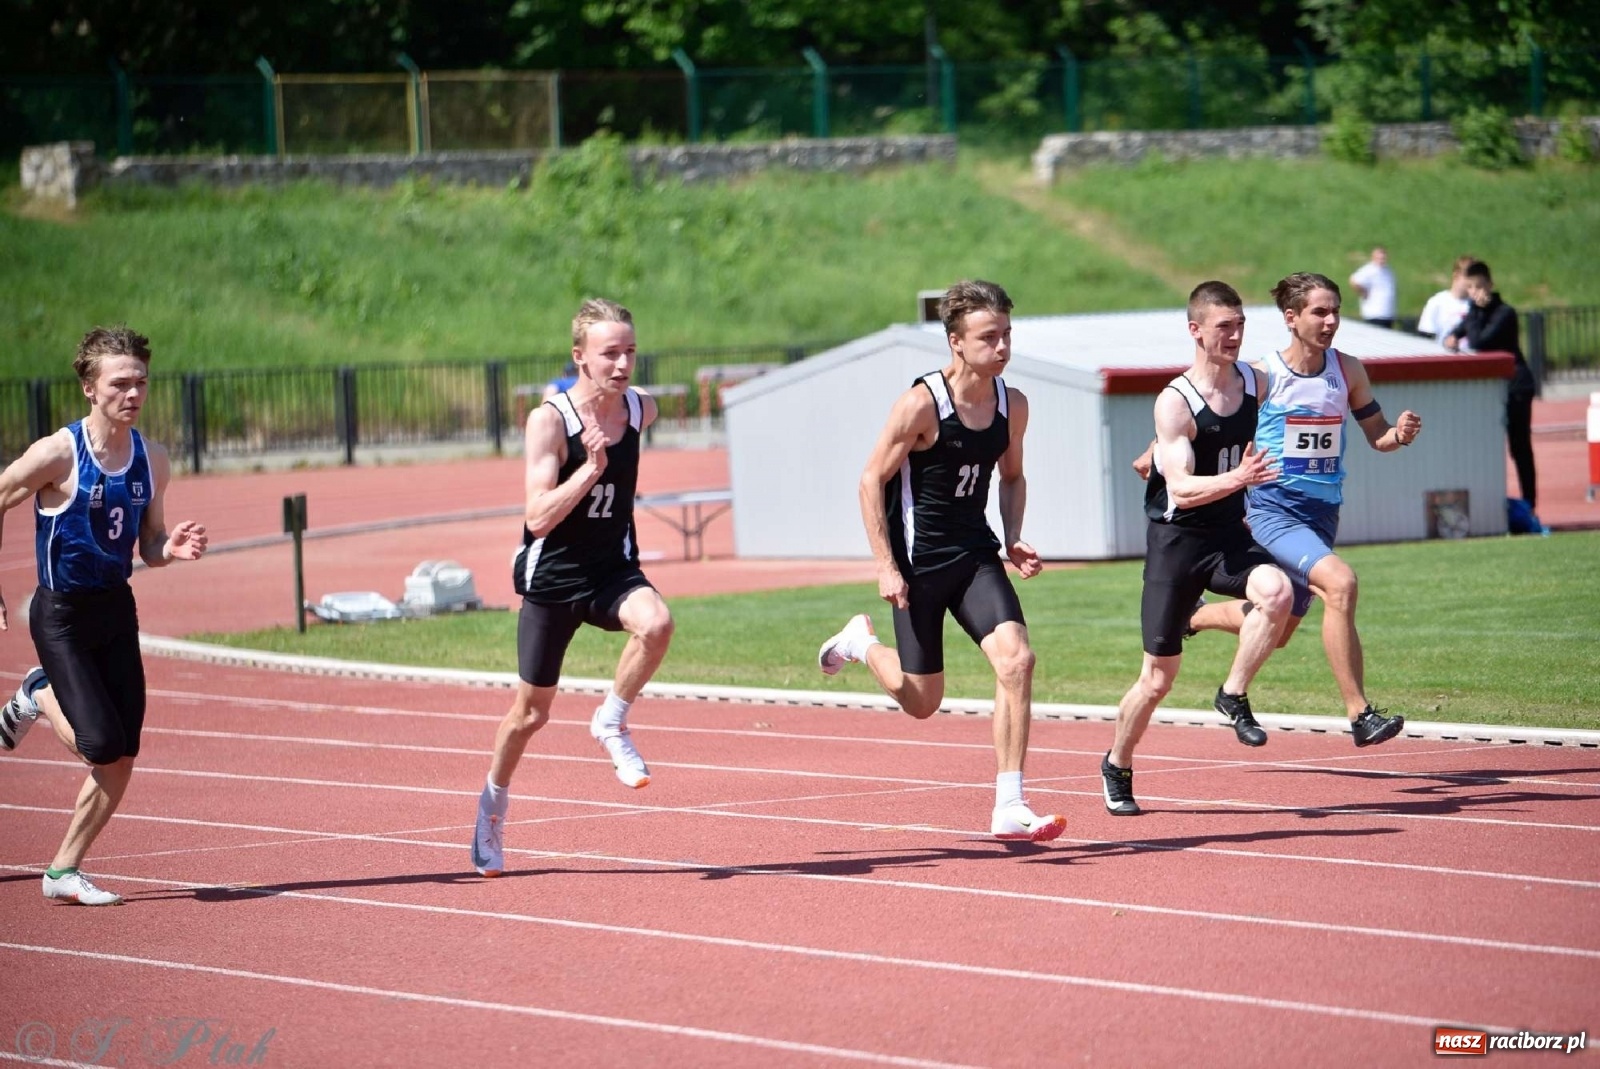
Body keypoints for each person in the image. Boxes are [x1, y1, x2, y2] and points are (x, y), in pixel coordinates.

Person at [815, 279, 1066, 843]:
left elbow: (1013, 474)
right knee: (923, 701)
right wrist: (885, 564)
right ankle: (860, 642)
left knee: (1016, 660)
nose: (1001, 348)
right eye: (988, 337)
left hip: (975, 555)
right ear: (956, 341)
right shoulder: (921, 404)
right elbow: (869, 481)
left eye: (1006, 335)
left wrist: (1014, 535)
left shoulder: (1012, 404)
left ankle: (1009, 803)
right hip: (917, 565)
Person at [0, 326, 209, 906]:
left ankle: (63, 870)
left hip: (116, 608)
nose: (134, 392)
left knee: (124, 755)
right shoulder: (56, 453)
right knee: (100, 743)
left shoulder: (153, 458)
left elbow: (149, 543)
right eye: (121, 382)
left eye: (141, 381)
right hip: (61, 614)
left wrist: (172, 550)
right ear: (91, 389)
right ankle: (38, 695)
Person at [472, 298, 674, 878]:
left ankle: (611, 719)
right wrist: (589, 469)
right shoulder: (550, 420)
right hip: (554, 578)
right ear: (579, 357)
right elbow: (536, 518)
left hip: (612, 569)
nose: (623, 364)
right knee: (530, 715)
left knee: (657, 623)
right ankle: (493, 805)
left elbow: (641, 413)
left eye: (630, 351)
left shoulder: (640, 409)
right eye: (610, 353)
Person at [1189, 273, 1418, 747]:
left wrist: (1399, 434)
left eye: (1335, 310)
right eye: (1320, 311)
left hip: (1321, 514)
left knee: (1280, 626)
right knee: (1342, 582)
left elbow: (1378, 437)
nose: (1331, 320)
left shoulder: (1348, 369)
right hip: (1272, 509)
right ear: (1291, 318)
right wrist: (1156, 450)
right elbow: (1208, 413)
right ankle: (1360, 715)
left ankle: (1191, 617)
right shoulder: (1262, 374)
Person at [1102, 283, 1293, 816]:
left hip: (1230, 533)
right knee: (1157, 678)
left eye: (1239, 325)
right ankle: (1118, 762)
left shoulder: (1255, 381)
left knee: (1277, 593)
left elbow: (1298, 390)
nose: (1234, 336)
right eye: (1223, 327)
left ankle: (1232, 695)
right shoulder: (1175, 401)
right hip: (1177, 543)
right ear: (1196, 331)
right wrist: (1237, 475)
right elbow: (1182, 491)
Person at [1444, 261, 1537, 510]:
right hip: (1493, 388)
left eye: (1480, 287)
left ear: (1490, 285)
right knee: (1486, 445)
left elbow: (1478, 340)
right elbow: (1454, 333)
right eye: (1471, 288)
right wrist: (1453, 336)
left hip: (1516, 385)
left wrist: (1474, 310)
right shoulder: (1476, 313)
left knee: (1519, 446)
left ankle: (1530, 504)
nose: (1476, 293)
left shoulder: (1504, 312)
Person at [1416, 255, 1476, 347]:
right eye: (1469, 277)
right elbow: (1425, 338)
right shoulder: (1437, 302)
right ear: (1456, 275)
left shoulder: (1477, 305)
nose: (1473, 282)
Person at [1349, 246, 1397, 329]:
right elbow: (1353, 280)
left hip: (1388, 314)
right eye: (1379, 257)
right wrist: (1363, 292)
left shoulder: (1388, 270)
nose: (1382, 259)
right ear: (1373, 257)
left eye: (1383, 257)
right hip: (1374, 314)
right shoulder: (1369, 270)